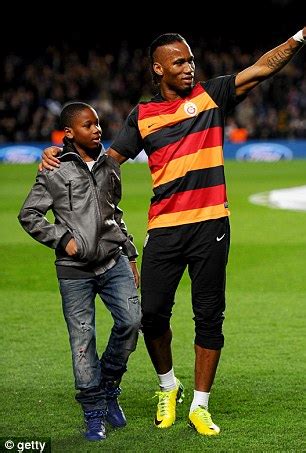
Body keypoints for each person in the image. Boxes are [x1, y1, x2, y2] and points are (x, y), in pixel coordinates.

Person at [41, 29, 306, 436]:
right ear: (158, 68)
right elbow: (109, 161)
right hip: (164, 227)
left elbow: (262, 69)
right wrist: (61, 154)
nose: (189, 67)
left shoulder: (211, 95)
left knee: (209, 316)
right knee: (151, 315)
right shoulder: (142, 116)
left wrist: (298, 37)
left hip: (211, 224)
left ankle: (201, 405)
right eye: (179, 62)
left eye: (191, 60)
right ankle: (169, 386)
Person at [19, 102, 142, 441]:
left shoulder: (110, 166)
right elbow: (29, 215)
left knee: (132, 322)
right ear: (70, 133)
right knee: (82, 341)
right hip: (74, 270)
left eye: (98, 123)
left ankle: (109, 386)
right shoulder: (53, 168)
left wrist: (130, 255)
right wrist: (62, 239)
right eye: (88, 125)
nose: (97, 129)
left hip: (113, 260)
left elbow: (115, 214)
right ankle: (94, 413)